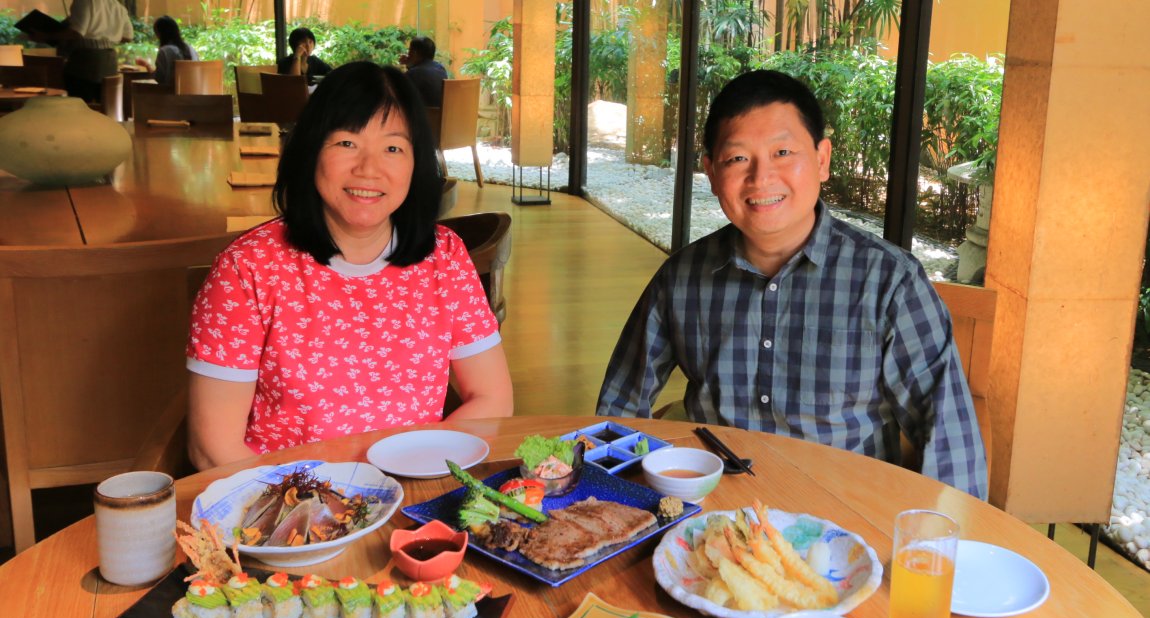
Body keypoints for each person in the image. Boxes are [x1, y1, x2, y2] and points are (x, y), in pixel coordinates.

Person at [596, 70, 988, 499]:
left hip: (846, 524)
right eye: (737, 159)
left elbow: (951, 446)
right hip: (717, 518)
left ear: (822, 159)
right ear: (710, 171)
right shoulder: (683, 278)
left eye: (783, 152)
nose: (761, 179)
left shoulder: (889, 283)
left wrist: (946, 555)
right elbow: (620, 410)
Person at [186, 61, 513, 469]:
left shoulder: (443, 257)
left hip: (412, 493)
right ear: (310, 151)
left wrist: (415, 477)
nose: (369, 168)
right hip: (289, 510)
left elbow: (492, 398)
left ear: (416, 164)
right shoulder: (247, 269)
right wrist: (329, 511)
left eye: (393, 148)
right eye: (346, 143)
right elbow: (212, 447)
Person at [25, 0, 132, 103]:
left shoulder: (84, 1)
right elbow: (128, 37)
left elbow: (76, 33)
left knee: (78, 105)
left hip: (87, 61)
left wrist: (46, 36)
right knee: (103, 104)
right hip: (110, 61)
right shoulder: (117, 5)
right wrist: (107, 36)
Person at [134, 15, 197, 87]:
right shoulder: (191, 49)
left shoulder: (165, 51)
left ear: (160, 34)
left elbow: (159, 80)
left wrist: (146, 65)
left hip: (171, 97)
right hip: (194, 94)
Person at [400, 35, 447, 108]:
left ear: (414, 53)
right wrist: (409, 65)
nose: (408, 55)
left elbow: (397, 94)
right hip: (440, 117)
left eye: (409, 51)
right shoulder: (441, 68)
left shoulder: (415, 73)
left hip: (424, 117)